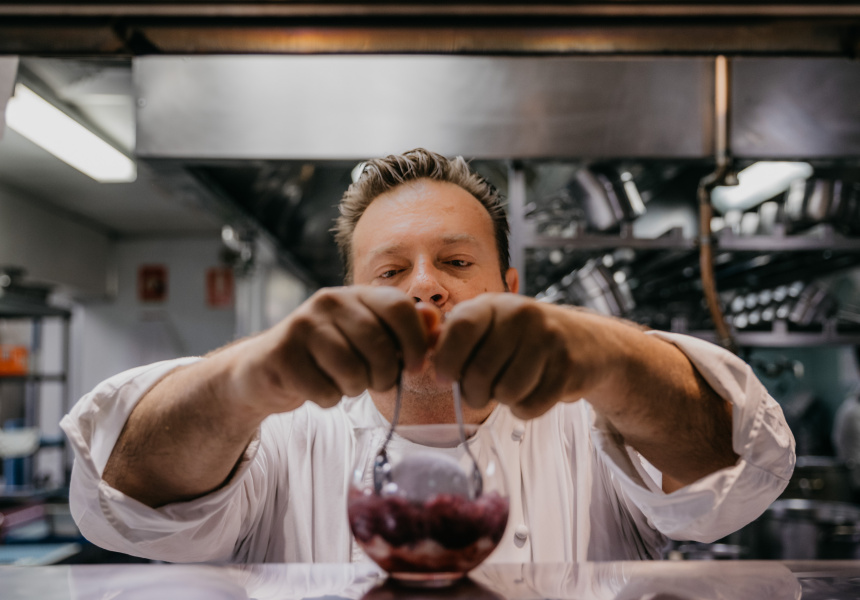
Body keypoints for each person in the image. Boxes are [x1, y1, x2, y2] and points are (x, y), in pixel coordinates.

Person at [60, 149, 794, 564]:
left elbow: (732, 471)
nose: (423, 289)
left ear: (509, 288)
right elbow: (125, 500)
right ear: (346, 297)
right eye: (389, 272)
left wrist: (607, 355)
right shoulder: (277, 435)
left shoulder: (586, 422)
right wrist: (252, 376)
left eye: (453, 261)